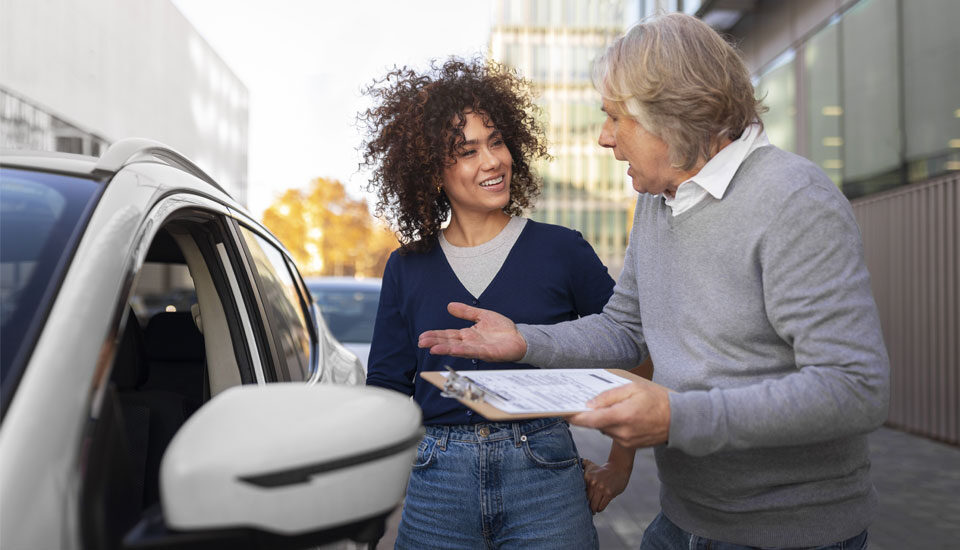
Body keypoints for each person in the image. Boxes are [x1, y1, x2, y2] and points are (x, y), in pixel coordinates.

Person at [419, 14, 889, 550]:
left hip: (789, 535)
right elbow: (627, 329)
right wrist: (527, 341)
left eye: (615, 118)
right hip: (683, 520)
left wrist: (677, 417)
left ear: (672, 117)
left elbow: (856, 388)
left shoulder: (794, 200)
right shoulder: (657, 200)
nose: (603, 138)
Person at [360, 57, 618, 549]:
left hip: (544, 474)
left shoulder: (562, 249)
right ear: (432, 172)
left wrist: (621, 463)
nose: (492, 161)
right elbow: (387, 387)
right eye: (467, 150)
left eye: (496, 141)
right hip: (437, 482)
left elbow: (631, 346)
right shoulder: (407, 266)